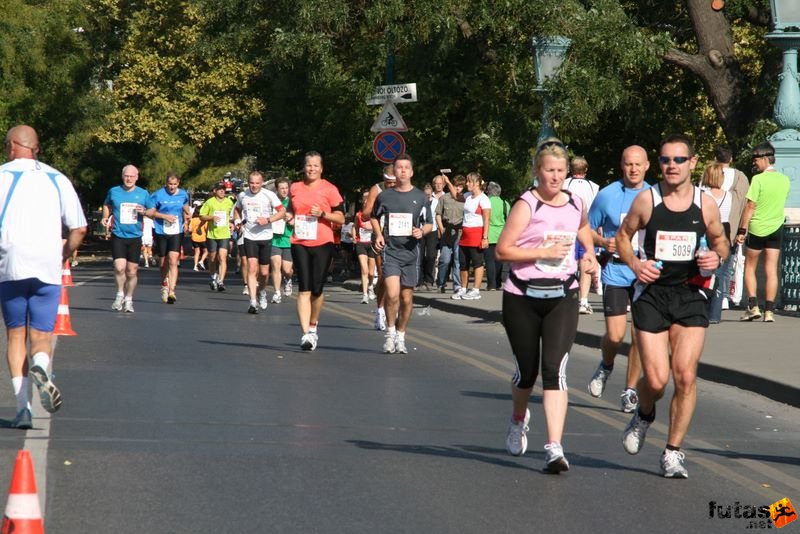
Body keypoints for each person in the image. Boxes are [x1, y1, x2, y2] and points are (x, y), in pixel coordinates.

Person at [616, 133, 729, 478]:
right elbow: (622, 237)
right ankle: (645, 415)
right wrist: (636, 265)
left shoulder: (705, 203)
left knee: (685, 374)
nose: (671, 166)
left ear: (693, 163)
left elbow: (720, 241)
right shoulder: (646, 201)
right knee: (656, 380)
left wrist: (715, 257)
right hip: (652, 296)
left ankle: (673, 452)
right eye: (665, 160)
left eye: (679, 160)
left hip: (691, 293)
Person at [496, 142, 598, 473]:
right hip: (522, 297)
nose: (555, 177)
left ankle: (554, 447)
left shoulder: (574, 201)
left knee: (555, 369)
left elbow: (582, 226)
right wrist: (540, 254)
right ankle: (517, 420)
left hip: (562, 296)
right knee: (527, 372)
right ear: (538, 172)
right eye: (549, 171)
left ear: (568, 172)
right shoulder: (527, 205)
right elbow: (503, 251)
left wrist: (590, 253)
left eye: (560, 171)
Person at [0, 125, 87, 428]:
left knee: (15, 334)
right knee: (41, 335)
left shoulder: (1, 176)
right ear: (35, 147)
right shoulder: (57, 178)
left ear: (12, 146)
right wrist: (64, 255)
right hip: (47, 267)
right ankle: (40, 365)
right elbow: (79, 229)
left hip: (10, 266)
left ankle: (23, 409)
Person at [586, 145, 651, 413]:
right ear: (621, 166)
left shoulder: (654, 196)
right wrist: (603, 241)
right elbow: (586, 229)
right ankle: (606, 365)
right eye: (628, 164)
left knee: (639, 335)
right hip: (615, 270)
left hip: (645, 274)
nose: (633, 169)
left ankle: (630, 390)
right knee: (615, 335)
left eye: (638, 164)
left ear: (647, 165)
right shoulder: (607, 195)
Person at [371, 154, 432, 354]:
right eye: (399, 167)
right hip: (391, 252)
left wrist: (421, 231)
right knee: (392, 294)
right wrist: (379, 234)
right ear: (394, 171)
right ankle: (389, 334)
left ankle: (401, 335)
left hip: (411, 253)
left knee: (406, 298)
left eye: (406, 167)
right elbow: (373, 217)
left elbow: (429, 223)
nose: (403, 171)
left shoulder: (421, 197)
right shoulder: (385, 196)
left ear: (412, 172)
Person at [288, 151, 345, 350]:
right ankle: (306, 335)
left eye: (315, 165)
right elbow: (290, 210)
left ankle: (313, 326)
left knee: (317, 288)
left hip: (322, 241)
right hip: (299, 240)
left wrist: (323, 214)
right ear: (304, 167)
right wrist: (289, 217)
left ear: (321, 169)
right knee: (304, 288)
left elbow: (341, 218)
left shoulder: (330, 189)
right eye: (308, 165)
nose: (311, 169)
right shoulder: (294, 187)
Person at [736, 141, 791, 323]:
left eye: (755, 158)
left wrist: (742, 230)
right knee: (771, 270)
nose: (754, 162)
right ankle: (769, 311)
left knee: (749, 267)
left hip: (758, 228)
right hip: (776, 228)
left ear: (765, 158)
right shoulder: (784, 180)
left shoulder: (758, 180)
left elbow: (750, 206)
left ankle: (753, 307)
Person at [234, 171, 285, 314]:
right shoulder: (243, 195)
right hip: (250, 236)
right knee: (252, 268)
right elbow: (237, 210)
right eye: (252, 183)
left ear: (262, 183)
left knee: (263, 272)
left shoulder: (269, 195)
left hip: (266, 236)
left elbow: (282, 212)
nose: (254, 186)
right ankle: (252, 301)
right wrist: (238, 221)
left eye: (257, 183)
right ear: (248, 182)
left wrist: (268, 220)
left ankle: (261, 291)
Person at [102, 164, 149, 312]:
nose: (129, 179)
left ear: (137, 177)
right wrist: (105, 217)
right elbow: (106, 205)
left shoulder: (143, 193)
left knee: (132, 271)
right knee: (119, 267)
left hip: (135, 236)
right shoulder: (114, 191)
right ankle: (119, 294)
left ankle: (129, 299)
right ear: (123, 177)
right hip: (118, 234)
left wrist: (145, 211)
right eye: (126, 176)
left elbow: (152, 210)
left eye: (132, 176)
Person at [145, 172, 191, 304]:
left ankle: (172, 291)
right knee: (163, 262)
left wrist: (187, 217)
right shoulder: (158, 194)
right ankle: (164, 285)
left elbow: (185, 208)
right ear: (166, 184)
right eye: (170, 184)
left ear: (178, 184)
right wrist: (165, 217)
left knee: (173, 260)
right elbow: (150, 212)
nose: (172, 187)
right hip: (161, 230)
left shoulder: (183, 194)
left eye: (175, 184)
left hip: (177, 231)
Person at [715, 144, 750, 309]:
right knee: (728, 263)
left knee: (712, 262)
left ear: (716, 158)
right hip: (733, 225)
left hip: (713, 224)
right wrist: (744, 229)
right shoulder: (741, 178)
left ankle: (713, 294)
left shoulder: (710, 175)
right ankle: (723, 296)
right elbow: (746, 204)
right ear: (731, 159)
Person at [564, 156, 600, 313]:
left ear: (571, 169)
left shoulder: (564, 184)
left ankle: (565, 298)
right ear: (586, 170)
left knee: (566, 264)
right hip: (587, 228)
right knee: (585, 264)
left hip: (568, 228)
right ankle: (583, 301)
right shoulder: (594, 187)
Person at [362, 165, 396, 330]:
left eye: (393, 182)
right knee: (383, 275)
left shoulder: (403, 188)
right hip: (380, 233)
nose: (391, 185)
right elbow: (365, 213)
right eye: (388, 182)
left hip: (398, 234)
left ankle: (392, 307)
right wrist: (379, 208)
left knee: (397, 275)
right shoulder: (377, 189)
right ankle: (380, 310)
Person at [699, 163, 732, 323]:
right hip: (724, 231)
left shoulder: (703, 194)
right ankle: (715, 313)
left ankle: (702, 308)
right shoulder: (728, 195)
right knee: (720, 275)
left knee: (704, 273)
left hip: (707, 231)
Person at [452, 172, 491, 300]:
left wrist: (485, 237)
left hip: (476, 233)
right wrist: (447, 182)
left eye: (469, 182)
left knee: (477, 262)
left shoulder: (484, 199)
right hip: (465, 233)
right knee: (463, 263)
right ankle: (463, 288)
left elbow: (486, 219)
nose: (466, 184)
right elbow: (456, 197)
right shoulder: (468, 196)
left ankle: (475, 290)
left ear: (477, 184)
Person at [199, 182, 236, 291]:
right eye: (219, 189)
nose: (222, 191)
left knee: (222, 257)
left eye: (223, 189)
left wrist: (231, 223)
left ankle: (220, 281)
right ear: (215, 190)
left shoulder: (229, 202)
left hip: (224, 234)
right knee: (212, 257)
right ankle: (213, 276)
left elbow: (232, 216)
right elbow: (202, 216)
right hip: (212, 234)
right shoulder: (210, 202)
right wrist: (211, 218)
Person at [436, 174, 466, 294]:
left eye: (460, 186)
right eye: (456, 186)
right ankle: (441, 283)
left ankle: (457, 285)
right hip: (447, 231)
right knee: (445, 259)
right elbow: (438, 213)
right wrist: (441, 227)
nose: (458, 188)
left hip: (459, 232)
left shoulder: (464, 199)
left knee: (457, 260)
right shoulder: (444, 198)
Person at [270, 177, 294, 303]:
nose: (284, 190)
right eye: (281, 188)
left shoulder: (292, 203)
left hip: (288, 238)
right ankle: (277, 292)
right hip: (274, 238)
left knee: (287, 270)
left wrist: (291, 219)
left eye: (286, 188)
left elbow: (300, 220)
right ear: (277, 189)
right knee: (275, 265)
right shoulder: (273, 202)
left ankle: (288, 279)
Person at [485, 181, 510, 290]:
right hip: (501, 235)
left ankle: (491, 285)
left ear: (489, 191)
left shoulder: (486, 202)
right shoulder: (505, 203)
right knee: (498, 261)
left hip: (489, 233)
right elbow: (509, 220)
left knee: (489, 260)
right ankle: (498, 282)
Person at [354, 190, 377, 304]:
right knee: (364, 270)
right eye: (364, 198)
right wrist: (355, 236)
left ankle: (371, 287)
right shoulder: (358, 215)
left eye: (368, 198)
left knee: (371, 273)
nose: (366, 200)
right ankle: (364, 295)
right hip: (361, 243)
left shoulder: (375, 215)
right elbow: (355, 227)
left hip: (372, 244)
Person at [418, 182, 439, 290]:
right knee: (420, 256)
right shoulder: (419, 202)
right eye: (425, 194)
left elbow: (438, 216)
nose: (427, 196)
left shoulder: (436, 202)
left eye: (429, 194)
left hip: (433, 230)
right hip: (421, 230)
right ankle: (419, 280)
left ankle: (429, 279)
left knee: (431, 256)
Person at [189, 205, 208, 271]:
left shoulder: (193, 219)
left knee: (197, 252)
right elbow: (206, 228)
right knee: (206, 251)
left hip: (194, 237)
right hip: (203, 237)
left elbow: (190, 229)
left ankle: (195, 266)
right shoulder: (203, 219)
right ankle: (201, 261)